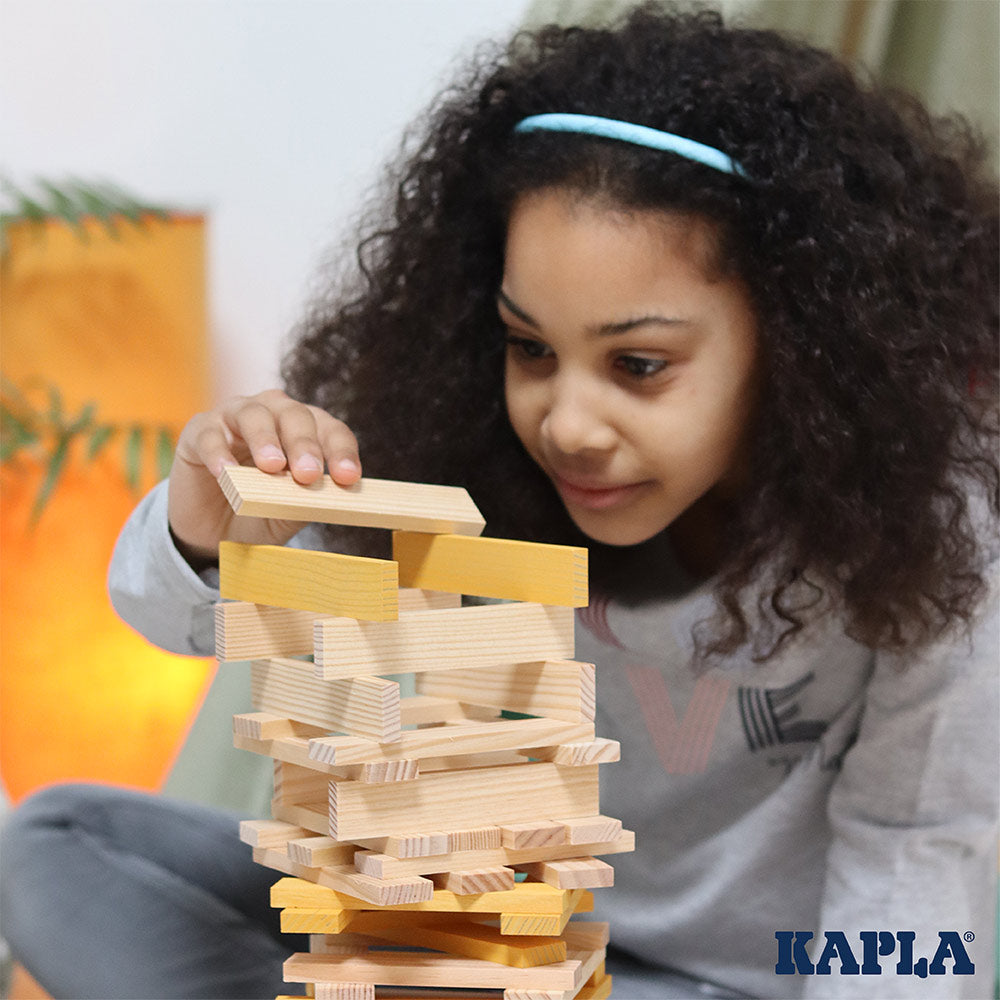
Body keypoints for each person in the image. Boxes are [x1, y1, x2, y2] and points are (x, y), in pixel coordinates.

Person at [2, 5, 997, 999]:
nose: (567, 421)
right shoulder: (460, 442)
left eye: (638, 364)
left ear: (795, 340)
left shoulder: (926, 521)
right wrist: (214, 537)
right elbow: (170, 617)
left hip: (722, 983)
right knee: (58, 839)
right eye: (531, 347)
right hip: (477, 937)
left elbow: (917, 848)